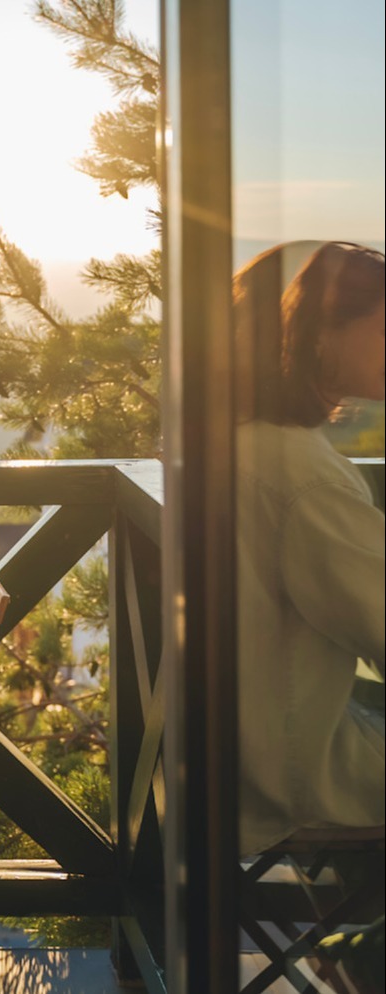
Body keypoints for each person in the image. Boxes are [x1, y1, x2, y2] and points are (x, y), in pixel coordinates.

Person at [232, 240, 385, 854]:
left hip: (234, 759)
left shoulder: (241, 438)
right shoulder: (304, 476)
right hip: (298, 774)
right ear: (319, 334)